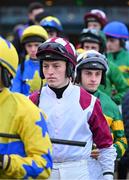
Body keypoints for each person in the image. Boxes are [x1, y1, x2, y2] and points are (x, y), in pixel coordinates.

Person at [29, 37, 116, 180]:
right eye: (45, 66)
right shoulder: (31, 101)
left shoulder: (89, 102)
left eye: (56, 66)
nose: (50, 72)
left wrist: (107, 175)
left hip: (79, 172)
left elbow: (106, 146)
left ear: (69, 67)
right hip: (42, 171)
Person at [0, 36, 52, 178]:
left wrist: (6, 162)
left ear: (5, 73)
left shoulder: (26, 110)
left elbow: (44, 167)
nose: (33, 49)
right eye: (30, 45)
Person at [75, 50, 127, 179]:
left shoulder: (110, 105)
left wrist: (107, 151)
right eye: (88, 73)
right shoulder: (67, 98)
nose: (93, 79)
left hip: (100, 170)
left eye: (97, 74)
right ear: (78, 75)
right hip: (72, 168)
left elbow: (122, 141)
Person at [78, 28, 129, 105]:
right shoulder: (76, 66)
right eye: (86, 47)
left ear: (101, 49)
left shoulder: (111, 67)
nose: (89, 50)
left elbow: (125, 90)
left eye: (93, 47)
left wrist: (111, 101)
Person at [11, 25, 48, 96]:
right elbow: (15, 94)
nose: (33, 49)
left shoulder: (51, 66)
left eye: (36, 45)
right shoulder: (20, 68)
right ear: (25, 47)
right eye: (29, 46)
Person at [103, 21, 129, 85]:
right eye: (107, 40)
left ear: (122, 42)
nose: (108, 44)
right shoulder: (103, 58)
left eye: (112, 41)